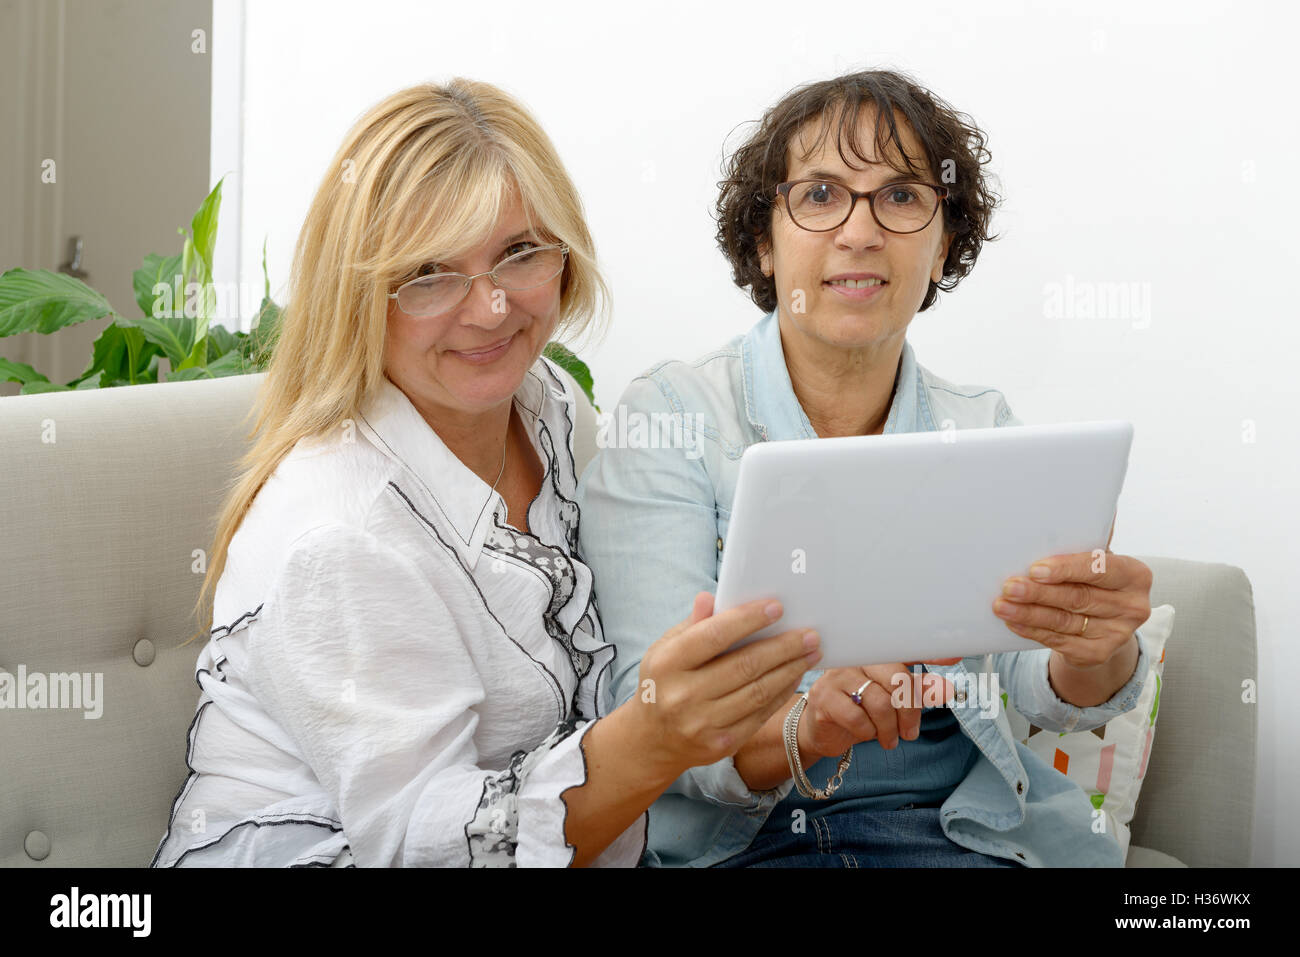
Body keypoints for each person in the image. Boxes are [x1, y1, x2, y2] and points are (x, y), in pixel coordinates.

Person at [150, 79, 819, 868]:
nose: (492, 308)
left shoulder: (548, 405)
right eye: (430, 273)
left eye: (520, 251)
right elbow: (424, 848)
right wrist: (652, 736)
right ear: (359, 294)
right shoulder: (340, 532)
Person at [576, 69, 1155, 868]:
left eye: (901, 197)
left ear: (943, 241)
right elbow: (643, 704)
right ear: (761, 243)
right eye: (819, 195)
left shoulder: (981, 427)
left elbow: (1041, 687)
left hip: (962, 833)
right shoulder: (669, 418)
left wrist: (1095, 645)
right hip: (748, 845)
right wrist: (801, 727)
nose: (860, 231)